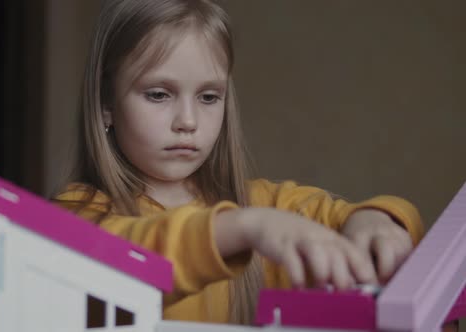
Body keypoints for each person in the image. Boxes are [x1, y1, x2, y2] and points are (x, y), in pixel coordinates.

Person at [54, 0, 424, 325]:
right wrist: (243, 228)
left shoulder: (263, 204)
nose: (188, 121)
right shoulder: (78, 212)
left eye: (209, 97)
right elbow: (116, 257)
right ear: (106, 104)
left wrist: (374, 221)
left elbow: (356, 215)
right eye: (158, 94)